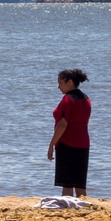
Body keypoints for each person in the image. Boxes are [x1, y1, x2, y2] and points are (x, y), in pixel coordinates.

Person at [47, 68, 92, 198]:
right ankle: (83, 206)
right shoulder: (87, 99)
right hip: (83, 144)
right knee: (80, 185)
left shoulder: (68, 100)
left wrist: (51, 145)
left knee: (67, 184)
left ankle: (67, 206)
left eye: (60, 83)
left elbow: (62, 125)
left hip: (67, 144)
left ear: (70, 82)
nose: (58, 87)